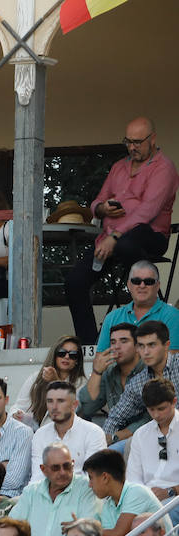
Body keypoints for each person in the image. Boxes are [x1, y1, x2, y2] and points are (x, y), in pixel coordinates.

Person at [65, 118, 179, 343]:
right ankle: (89, 344)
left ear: (152, 139)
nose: (132, 147)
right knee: (74, 282)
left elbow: (147, 211)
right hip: (110, 238)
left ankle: (144, 330)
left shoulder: (164, 168)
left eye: (138, 142)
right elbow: (97, 201)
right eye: (128, 142)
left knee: (127, 244)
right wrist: (101, 208)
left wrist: (115, 236)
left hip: (148, 235)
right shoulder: (119, 166)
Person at [29, 380, 106, 474]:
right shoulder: (40, 434)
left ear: (74, 405)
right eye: (50, 401)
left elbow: (91, 478)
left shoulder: (93, 433)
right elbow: (37, 477)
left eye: (60, 401)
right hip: (48, 488)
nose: (54, 407)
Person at [127, 377, 179, 498]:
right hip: (145, 499)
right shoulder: (140, 434)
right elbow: (133, 479)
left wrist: (171, 491)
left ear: (174, 402)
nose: (156, 415)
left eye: (161, 409)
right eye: (151, 409)